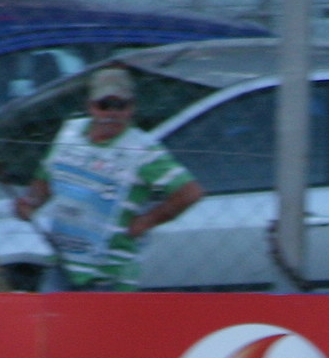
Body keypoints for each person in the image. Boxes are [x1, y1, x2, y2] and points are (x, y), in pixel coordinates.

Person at [14, 67, 203, 291]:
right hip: (63, 263)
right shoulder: (69, 133)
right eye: (104, 105)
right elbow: (46, 177)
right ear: (90, 106)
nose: (111, 114)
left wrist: (145, 221)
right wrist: (32, 202)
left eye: (120, 106)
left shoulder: (142, 149)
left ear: (131, 108)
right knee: (51, 325)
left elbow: (189, 192)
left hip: (109, 275)